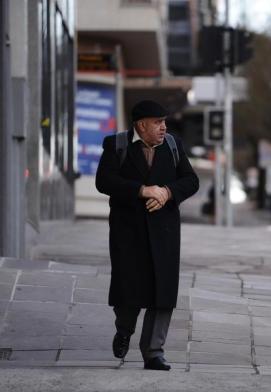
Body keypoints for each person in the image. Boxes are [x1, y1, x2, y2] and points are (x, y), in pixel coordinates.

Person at [95, 100, 199, 371]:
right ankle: (124, 329)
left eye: (164, 121)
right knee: (128, 290)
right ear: (141, 125)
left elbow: (191, 180)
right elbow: (104, 181)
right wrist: (142, 190)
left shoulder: (173, 146)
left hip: (164, 232)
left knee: (162, 292)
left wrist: (167, 192)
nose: (164, 127)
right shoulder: (116, 145)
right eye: (157, 122)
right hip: (128, 232)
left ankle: (154, 352)